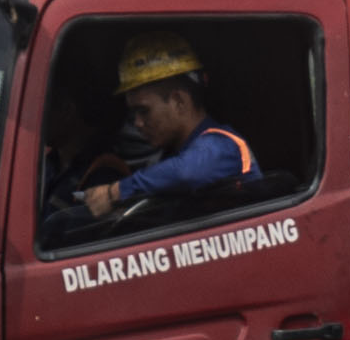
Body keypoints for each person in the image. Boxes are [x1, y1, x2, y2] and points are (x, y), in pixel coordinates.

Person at [60, 37, 257, 234]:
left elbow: (185, 173)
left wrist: (114, 193)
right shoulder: (171, 156)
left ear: (179, 101)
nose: (137, 123)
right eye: (133, 114)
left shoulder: (223, 145)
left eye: (144, 111)